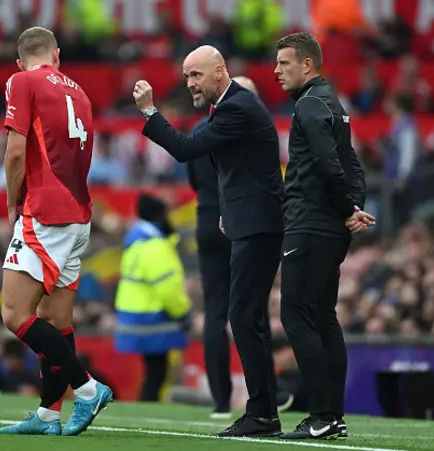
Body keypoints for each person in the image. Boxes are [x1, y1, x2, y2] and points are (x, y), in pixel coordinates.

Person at [134, 45, 285, 438]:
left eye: (196, 75)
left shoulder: (237, 106)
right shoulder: (228, 108)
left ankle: (266, 412)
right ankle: (266, 409)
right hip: (247, 222)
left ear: (220, 70)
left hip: (257, 225)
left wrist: (150, 112)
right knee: (245, 317)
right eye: (186, 77)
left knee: (243, 316)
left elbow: (184, 150)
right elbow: (239, 169)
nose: (190, 84)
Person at [0, 26, 112, 437]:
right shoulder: (80, 92)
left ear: (19, 60)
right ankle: (48, 413)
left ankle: (87, 389)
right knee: (57, 321)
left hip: (45, 210)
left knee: (14, 314)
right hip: (79, 212)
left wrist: (13, 201)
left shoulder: (22, 81)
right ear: (58, 55)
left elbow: (15, 151)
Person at [273, 32, 374, 440]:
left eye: (284, 63)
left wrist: (349, 208)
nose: (277, 70)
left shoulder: (310, 106)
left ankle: (322, 415)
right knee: (322, 317)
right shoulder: (332, 104)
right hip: (329, 227)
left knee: (296, 316)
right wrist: (353, 208)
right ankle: (334, 415)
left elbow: (329, 164)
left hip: (310, 224)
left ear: (307, 65)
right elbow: (352, 164)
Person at [186, 75, 258, 420]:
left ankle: (219, 401)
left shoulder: (201, 129)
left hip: (205, 218)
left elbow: (193, 175)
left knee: (215, 313)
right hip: (238, 219)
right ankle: (264, 394)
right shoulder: (247, 126)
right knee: (251, 309)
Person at [114, 194, 192, 402]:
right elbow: (168, 289)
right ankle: (147, 404)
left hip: (135, 314)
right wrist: (183, 313)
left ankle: (145, 403)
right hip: (154, 318)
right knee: (157, 373)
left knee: (152, 372)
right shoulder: (155, 246)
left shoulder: (135, 243)